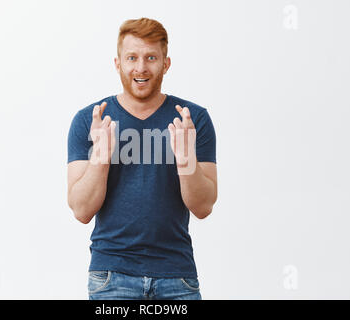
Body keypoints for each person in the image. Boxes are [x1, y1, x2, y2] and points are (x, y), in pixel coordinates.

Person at [67, 17, 218, 300]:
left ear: (165, 63)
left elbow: (203, 206)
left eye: (151, 57)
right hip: (111, 277)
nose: (140, 67)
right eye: (132, 57)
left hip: (177, 277)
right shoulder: (89, 120)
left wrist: (186, 159)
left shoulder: (193, 119)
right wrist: (100, 156)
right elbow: (81, 210)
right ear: (117, 63)